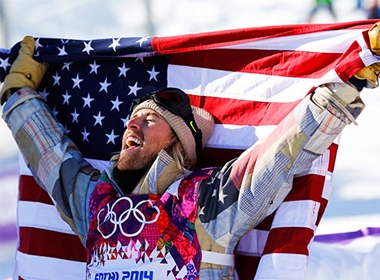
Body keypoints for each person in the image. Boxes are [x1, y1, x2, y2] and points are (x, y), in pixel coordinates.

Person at [1, 29, 379, 279]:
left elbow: (280, 154)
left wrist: (349, 76)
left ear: (178, 147)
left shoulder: (201, 203)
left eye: (150, 120)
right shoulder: (96, 206)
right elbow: (50, 155)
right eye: (132, 120)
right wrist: (16, 93)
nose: (133, 126)